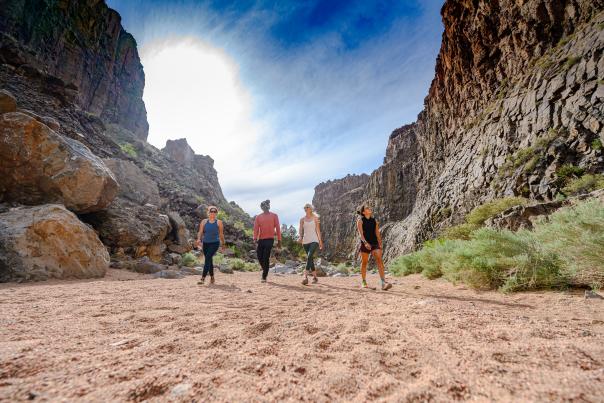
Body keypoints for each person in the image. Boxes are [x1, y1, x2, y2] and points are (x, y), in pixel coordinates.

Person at [356, 204, 392, 290]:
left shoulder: (374, 221)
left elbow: (377, 233)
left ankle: (383, 282)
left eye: (369, 208)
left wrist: (380, 243)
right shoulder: (360, 221)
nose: (369, 209)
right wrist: (365, 243)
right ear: (363, 212)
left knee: (379, 260)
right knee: (364, 263)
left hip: (374, 243)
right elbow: (360, 234)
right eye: (367, 208)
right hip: (365, 243)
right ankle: (364, 282)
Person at [195, 206, 225, 285]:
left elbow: (221, 234)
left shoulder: (219, 222)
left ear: (216, 213)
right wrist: (198, 239)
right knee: (209, 260)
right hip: (205, 243)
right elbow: (200, 232)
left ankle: (203, 278)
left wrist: (223, 244)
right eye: (211, 211)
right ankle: (212, 277)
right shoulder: (204, 221)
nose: (213, 213)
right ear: (208, 212)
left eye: (215, 212)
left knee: (207, 258)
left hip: (215, 243)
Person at [253, 200, 282, 283]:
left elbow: (278, 229)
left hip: (270, 239)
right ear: (261, 207)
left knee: (266, 257)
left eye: (266, 206)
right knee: (259, 256)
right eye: (262, 206)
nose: (264, 207)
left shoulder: (274, 216)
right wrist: (255, 238)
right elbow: (256, 229)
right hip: (261, 239)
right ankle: (266, 268)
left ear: (268, 207)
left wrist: (279, 240)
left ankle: (264, 276)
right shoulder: (258, 217)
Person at [298, 203, 323, 285]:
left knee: (309, 256)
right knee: (310, 259)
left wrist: (320, 241)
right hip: (305, 241)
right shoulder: (302, 219)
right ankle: (315, 277)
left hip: (314, 240)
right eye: (305, 207)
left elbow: (318, 230)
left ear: (311, 208)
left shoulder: (315, 218)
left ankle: (305, 276)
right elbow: (300, 230)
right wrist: (300, 237)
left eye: (307, 207)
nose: (305, 208)